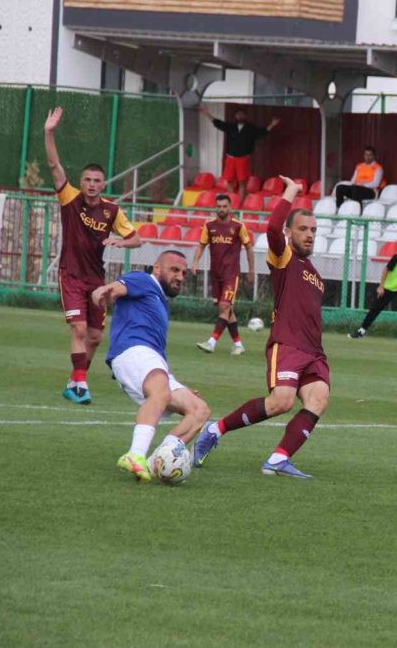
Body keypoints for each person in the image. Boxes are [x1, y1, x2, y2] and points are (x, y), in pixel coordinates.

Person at [193, 175, 329, 478]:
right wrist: (291, 191)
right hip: (289, 345)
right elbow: (269, 228)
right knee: (281, 402)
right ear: (289, 232)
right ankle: (215, 430)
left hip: (314, 352)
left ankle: (278, 460)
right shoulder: (284, 257)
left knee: (318, 400)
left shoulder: (317, 276)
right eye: (303, 229)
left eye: (314, 230)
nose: (309, 235)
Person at [44, 107, 142, 405]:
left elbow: (137, 239)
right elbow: (54, 165)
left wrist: (120, 242)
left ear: (103, 184)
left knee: (96, 337)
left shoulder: (112, 211)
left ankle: (75, 380)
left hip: (96, 279)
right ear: (81, 181)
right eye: (87, 179)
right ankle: (81, 386)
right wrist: (49, 132)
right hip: (71, 274)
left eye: (96, 180)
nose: (91, 184)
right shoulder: (70, 199)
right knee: (79, 328)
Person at [92, 250, 211, 482]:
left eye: (184, 273)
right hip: (132, 351)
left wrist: (169, 379)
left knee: (199, 410)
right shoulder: (144, 280)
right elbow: (115, 288)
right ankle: (135, 455)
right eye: (174, 270)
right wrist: (103, 293)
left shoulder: (159, 301)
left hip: (150, 360)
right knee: (160, 392)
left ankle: (156, 459)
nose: (180, 276)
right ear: (157, 268)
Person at [192, 193, 254, 356]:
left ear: (230, 207)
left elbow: (248, 248)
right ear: (215, 207)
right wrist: (195, 262)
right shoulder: (209, 226)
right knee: (226, 310)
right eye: (219, 206)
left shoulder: (238, 226)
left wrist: (251, 271)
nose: (222, 209)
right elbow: (201, 245)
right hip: (216, 274)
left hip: (231, 274)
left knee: (224, 307)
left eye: (224, 206)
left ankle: (211, 342)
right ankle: (239, 345)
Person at [348, 238, 397, 343]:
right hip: (389, 287)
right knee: (375, 309)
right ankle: (361, 331)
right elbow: (386, 270)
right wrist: (381, 286)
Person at [200, 106, 280, 198]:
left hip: (243, 159)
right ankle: (230, 201)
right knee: (229, 181)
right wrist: (207, 114)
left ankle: (240, 205)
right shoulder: (230, 127)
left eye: (242, 114)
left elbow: (262, 132)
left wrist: (272, 125)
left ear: (245, 116)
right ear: (235, 116)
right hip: (230, 158)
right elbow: (218, 123)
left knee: (242, 182)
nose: (240, 116)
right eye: (238, 114)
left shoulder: (250, 128)